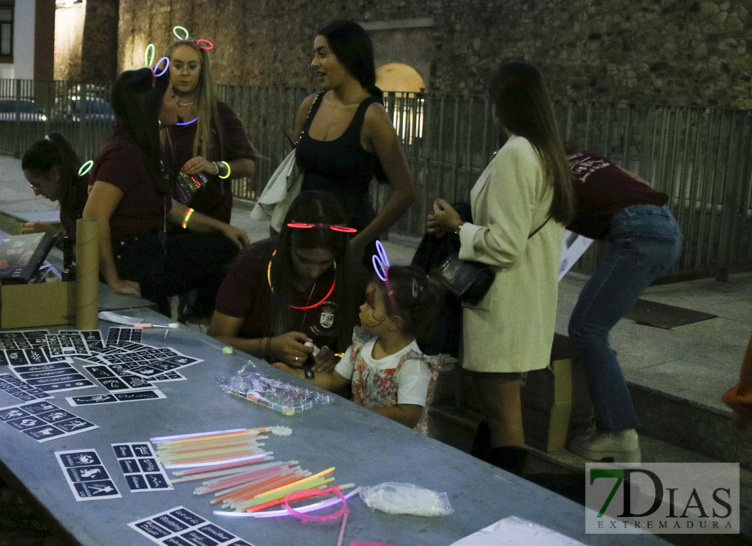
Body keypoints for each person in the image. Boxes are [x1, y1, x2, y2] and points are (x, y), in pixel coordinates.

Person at [427, 61, 574, 474]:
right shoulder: (545, 153)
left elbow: (505, 243)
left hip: (503, 305)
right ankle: (486, 483)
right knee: (497, 412)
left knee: (506, 417)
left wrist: (459, 227)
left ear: (500, 104)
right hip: (525, 301)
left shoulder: (515, 154)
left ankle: (505, 503)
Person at [83, 68, 249, 320]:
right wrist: (114, 280)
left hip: (149, 251)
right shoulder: (124, 154)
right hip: (132, 259)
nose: (178, 103)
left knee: (227, 245)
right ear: (153, 106)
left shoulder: (144, 148)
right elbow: (93, 217)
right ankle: (203, 320)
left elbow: (168, 208)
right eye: (172, 97)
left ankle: (202, 319)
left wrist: (222, 227)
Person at [564, 150, 681, 463]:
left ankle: (619, 434)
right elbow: (640, 183)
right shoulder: (590, 159)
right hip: (666, 224)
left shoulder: (546, 170)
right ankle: (616, 430)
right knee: (590, 327)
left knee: (588, 329)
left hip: (637, 230)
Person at [273, 263, 445, 433]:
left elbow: (409, 415)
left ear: (393, 323)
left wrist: (360, 413)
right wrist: (293, 374)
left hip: (397, 445)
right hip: (364, 432)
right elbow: (333, 378)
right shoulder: (362, 346)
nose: (361, 307)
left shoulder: (412, 365)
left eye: (371, 306)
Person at [293, 20, 416, 254]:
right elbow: (291, 177)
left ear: (347, 55)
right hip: (304, 240)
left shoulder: (373, 117)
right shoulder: (309, 106)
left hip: (349, 244)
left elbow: (405, 192)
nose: (314, 63)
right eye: (314, 54)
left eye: (322, 54)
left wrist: (358, 243)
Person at [208, 191, 365, 369]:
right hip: (247, 371)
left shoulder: (353, 277)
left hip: (315, 382)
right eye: (304, 260)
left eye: (325, 263)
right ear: (287, 245)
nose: (313, 272)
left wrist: (337, 359)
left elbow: (366, 350)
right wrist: (269, 346)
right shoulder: (253, 265)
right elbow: (215, 340)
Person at [166, 39, 256, 224]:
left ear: (202, 70)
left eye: (192, 66)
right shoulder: (157, 111)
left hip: (211, 221)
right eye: (178, 65)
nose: (184, 73)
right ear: (167, 67)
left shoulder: (219, 114)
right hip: (162, 221)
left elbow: (248, 165)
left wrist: (215, 167)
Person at [20, 132, 87, 238]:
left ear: (55, 175)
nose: (36, 193)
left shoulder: (84, 197)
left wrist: (53, 234)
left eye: (37, 185)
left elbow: (85, 251)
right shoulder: (68, 195)